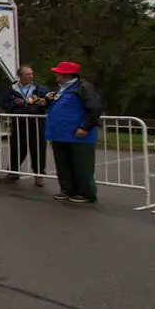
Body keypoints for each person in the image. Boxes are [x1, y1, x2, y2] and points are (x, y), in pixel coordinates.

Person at [44, 61, 103, 203]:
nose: (55, 74)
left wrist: (86, 127)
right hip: (60, 133)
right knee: (63, 164)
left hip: (78, 134)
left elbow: (94, 108)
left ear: (66, 75)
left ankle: (86, 193)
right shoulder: (60, 89)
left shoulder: (83, 87)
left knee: (82, 165)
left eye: (58, 72)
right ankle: (67, 189)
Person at [0, 65, 50, 186]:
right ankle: (13, 172)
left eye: (31, 74)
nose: (31, 76)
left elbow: (47, 100)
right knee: (17, 147)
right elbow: (5, 103)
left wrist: (28, 103)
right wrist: (17, 105)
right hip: (18, 122)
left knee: (38, 148)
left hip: (36, 122)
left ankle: (39, 174)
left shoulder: (39, 88)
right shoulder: (11, 89)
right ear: (20, 76)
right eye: (28, 74)